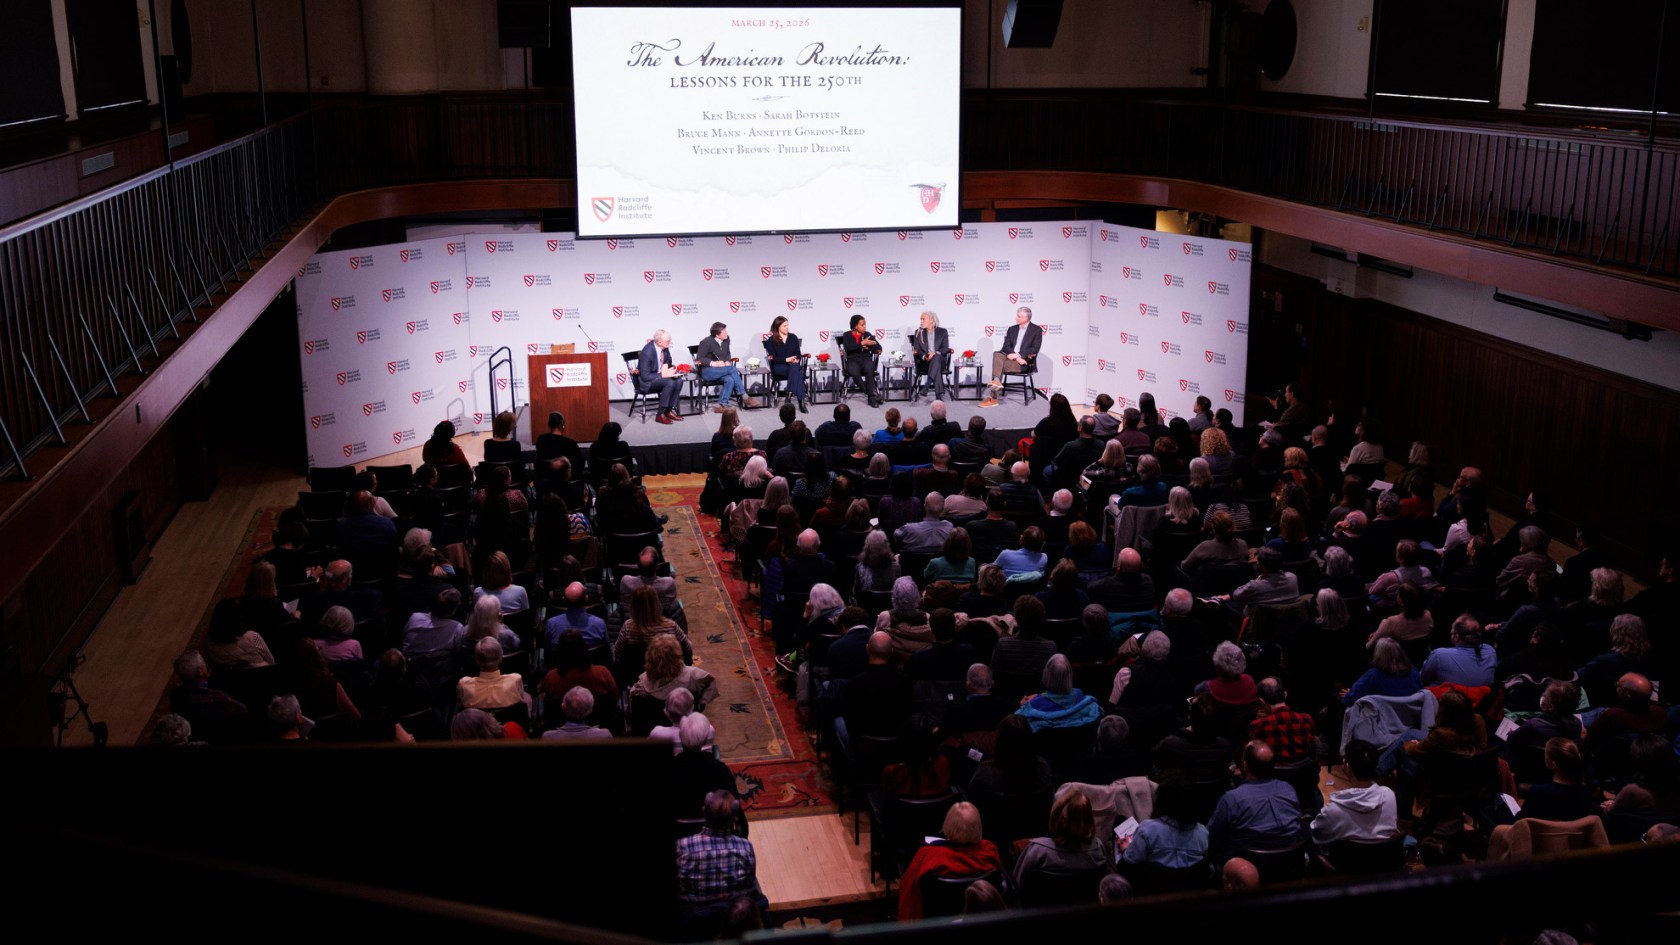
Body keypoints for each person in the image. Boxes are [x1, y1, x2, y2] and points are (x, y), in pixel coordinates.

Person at [896, 802, 1003, 922]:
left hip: (936, 924)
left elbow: (909, 896)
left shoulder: (926, 856)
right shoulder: (990, 853)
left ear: (948, 824)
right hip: (979, 923)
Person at [677, 790, 766, 922]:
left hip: (697, 919)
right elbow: (749, 886)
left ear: (704, 811)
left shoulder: (683, 846)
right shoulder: (746, 847)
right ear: (734, 817)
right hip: (735, 917)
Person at [1207, 741, 1304, 862]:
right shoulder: (1288, 789)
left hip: (1246, 869)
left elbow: (1212, 838)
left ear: (1245, 765)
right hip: (1289, 865)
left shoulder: (1231, 799)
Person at [1013, 791, 1108, 893]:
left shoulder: (1036, 851)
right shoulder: (1098, 850)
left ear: (1056, 817)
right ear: (1089, 820)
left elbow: (1017, 885)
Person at [1310, 739, 1399, 845]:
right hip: (1386, 859)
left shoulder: (1334, 810)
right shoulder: (1389, 796)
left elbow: (1316, 834)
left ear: (1347, 766)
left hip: (1344, 861)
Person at [1120, 772, 1209, 871]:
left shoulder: (1147, 830)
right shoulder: (1203, 833)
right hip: (1191, 885)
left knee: (1119, 822)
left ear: (1161, 800)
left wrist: (1126, 849)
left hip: (1152, 884)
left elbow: (1128, 864)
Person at [980, 306, 1043, 406]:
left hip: (1024, 362)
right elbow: (1006, 346)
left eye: (1019, 316)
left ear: (1026, 318)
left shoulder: (1036, 330)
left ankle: (993, 397)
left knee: (999, 365)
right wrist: (1014, 356)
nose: (1016, 318)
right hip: (1010, 357)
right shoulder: (1012, 329)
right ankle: (996, 382)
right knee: (997, 354)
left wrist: (1018, 356)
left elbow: (1035, 348)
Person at [1419, 614, 1497, 688]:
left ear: (1456, 636)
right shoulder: (1490, 651)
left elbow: (1422, 680)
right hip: (1483, 700)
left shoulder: (1439, 655)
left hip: (1448, 700)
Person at [456, 636, 526, 711]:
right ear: (501, 658)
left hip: (476, 722)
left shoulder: (464, 684)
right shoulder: (515, 680)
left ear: (476, 660)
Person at [638, 328, 685, 424]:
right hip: (648, 381)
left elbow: (668, 358)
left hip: (660, 376)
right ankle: (660, 414)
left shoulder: (665, 348)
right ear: (659, 342)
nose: (670, 342)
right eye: (668, 341)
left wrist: (665, 366)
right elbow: (645, 376)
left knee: (679, 381)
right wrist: (662, 374)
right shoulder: (647, 352)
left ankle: (668, 410)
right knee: (670, 382)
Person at [763, 315, 808, 413]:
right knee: (796, 371)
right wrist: (786, 359)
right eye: (784, 326)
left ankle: (791, 396)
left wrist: (797, 359)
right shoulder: (771, 340)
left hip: (793, 365)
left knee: (795, 367)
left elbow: (798, 353)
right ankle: (800, 401)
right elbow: (772, 358)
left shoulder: (793, 337)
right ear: (778, 327)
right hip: (779, 366)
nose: (787, 327)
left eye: (788, 325)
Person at [697, 320, 745, 410]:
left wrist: (727, 360)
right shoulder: (706, 342)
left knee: (730, 379)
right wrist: (713, 363)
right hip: (707, 371)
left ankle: (722, 405)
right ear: (717, 335)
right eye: (724, 331)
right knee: (733, 369)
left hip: (722, 370)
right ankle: (743, 394)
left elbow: (728, 353)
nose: (727, 333)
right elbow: (699, 359)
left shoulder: (726, 339)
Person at [839, 313, 882, 407]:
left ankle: (871, 398)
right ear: (855, 326)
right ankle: (871, 395)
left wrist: (869, 348)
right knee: (854, 372)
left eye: (865, 324)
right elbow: (848, 348)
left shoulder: (867, 334)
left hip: (866, 359)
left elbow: (879, 348)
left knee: (869, 368)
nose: (864, 327)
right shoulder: (847, 335)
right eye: (862, 325)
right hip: (852, 360)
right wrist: (862, 343)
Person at [911, 309, 950, 401]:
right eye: (920, 319)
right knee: (935, 364)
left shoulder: (943, 332)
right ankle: (938, 395)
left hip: (939, 360)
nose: (921, 321)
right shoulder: (918, 332)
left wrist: (935, 353)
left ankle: (927, 385)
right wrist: (925, 356)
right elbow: (917, 349)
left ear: (931, 320)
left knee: (936, 358)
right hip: (925, 361)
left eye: (923, 319)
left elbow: (945, 348)